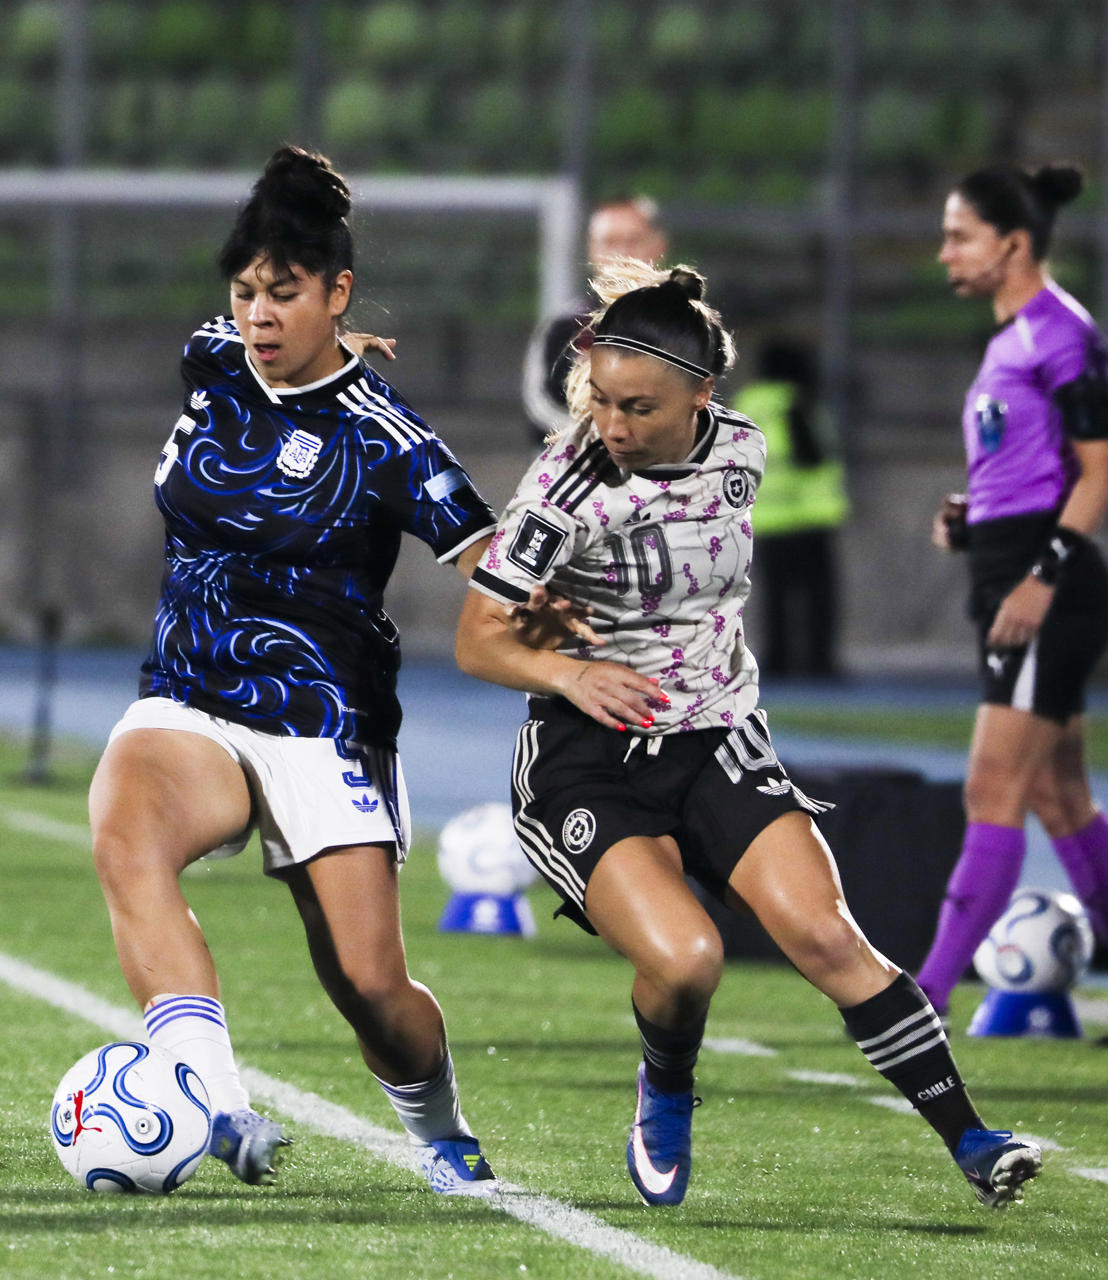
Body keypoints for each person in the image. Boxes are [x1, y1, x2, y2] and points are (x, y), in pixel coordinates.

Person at [456, 258, 1042, 1209]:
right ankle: (666, 1083)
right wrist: (570, 670)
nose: (612, 425)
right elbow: (478, 640)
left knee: (829, 937)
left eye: (638, 407)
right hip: (589, 761)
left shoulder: (744, 449)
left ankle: (973, 1140)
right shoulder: (563, 485)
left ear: (702, 395)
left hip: (719, 739)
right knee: (688, 960)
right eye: (601, 400)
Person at [87, 146, 502, 1194]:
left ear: (338, 290)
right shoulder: (213, 357)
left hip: (324, 716)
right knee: (126, 835)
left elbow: (491, 562)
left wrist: (570, 610)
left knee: (370, 986)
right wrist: (315, 341)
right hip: (188, 689)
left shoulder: (391, 440)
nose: (258, 316)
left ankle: (443, 1127)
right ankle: (215, 1103)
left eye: (285, 293)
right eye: (245, 292)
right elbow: (245, 347)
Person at [919, 162, 1108, 1046]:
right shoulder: (1012, 339)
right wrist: (974, 518)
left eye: (960, 236)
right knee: (1060, 795)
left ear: (1012, 244)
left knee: (993, 787)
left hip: (1047, 587)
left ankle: (919, 1004)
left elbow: (1102, 470)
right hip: (1015, 570)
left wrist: (1041, 576)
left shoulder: (1062, 334)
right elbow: (1028, 466)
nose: (944, 253)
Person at [733, 338, 849, 678]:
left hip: (767, 518)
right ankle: (820, 663)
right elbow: (813, 458)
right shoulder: (801, 403)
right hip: (810, 517)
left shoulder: (747, 405)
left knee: (775, 597)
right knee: (818, 597)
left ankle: (778, 661)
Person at [521, 195, 668, 443]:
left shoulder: (689, 325)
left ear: (659, 245)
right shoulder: (563, 327)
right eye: (610, 242)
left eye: (633, 241)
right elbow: (539, 405)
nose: (622, 254)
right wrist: (597, 437)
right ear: (593, 249)